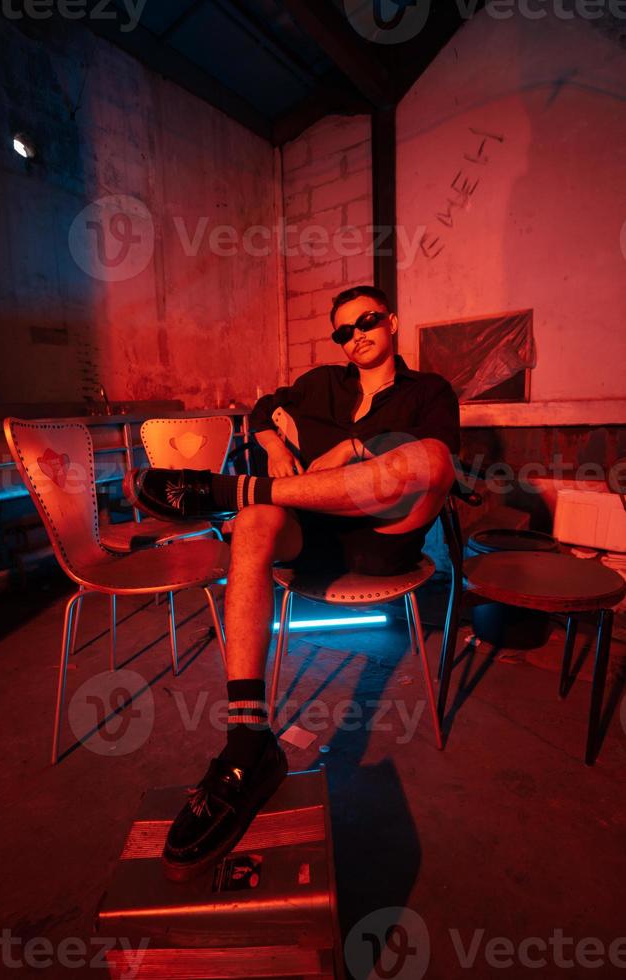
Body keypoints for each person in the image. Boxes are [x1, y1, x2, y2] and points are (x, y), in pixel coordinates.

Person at [125, 285, 460, 882]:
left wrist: (354, 449)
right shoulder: (319, 384)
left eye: (367, 321)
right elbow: (259, 411)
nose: (356, 335)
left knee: (429, 460)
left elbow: (434, 468)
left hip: (385, 538)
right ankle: (248, 741)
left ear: (392, 321)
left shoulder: (428, 391)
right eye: (343, 330)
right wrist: (275, 442)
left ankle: (223, 494)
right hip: (314, 531)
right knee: (254, 526)